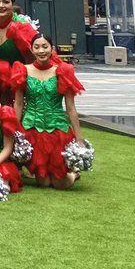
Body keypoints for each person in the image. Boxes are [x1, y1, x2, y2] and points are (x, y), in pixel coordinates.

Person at [18, 34, 86, 189]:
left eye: (45, 46)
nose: (41, 50)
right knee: (43, 182)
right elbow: (19, 104)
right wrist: (15, 133)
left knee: (61, 184)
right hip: (32, 129)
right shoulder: (22, 70)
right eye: (37, 47)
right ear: (31, 49)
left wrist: (79, 138)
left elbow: (70, 108)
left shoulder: (63, 71)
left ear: (52, 49)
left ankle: (73, 174)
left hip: (57, 129)